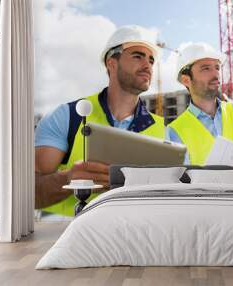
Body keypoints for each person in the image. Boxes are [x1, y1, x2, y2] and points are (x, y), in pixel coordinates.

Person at [35, 25, 165, 216]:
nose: (148, 66)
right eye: (138, 56)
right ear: (111, 63)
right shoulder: (67, 117)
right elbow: (28, 192)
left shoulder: (162, 130)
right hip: (67, 237)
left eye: (151, 60)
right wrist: (68, 178)